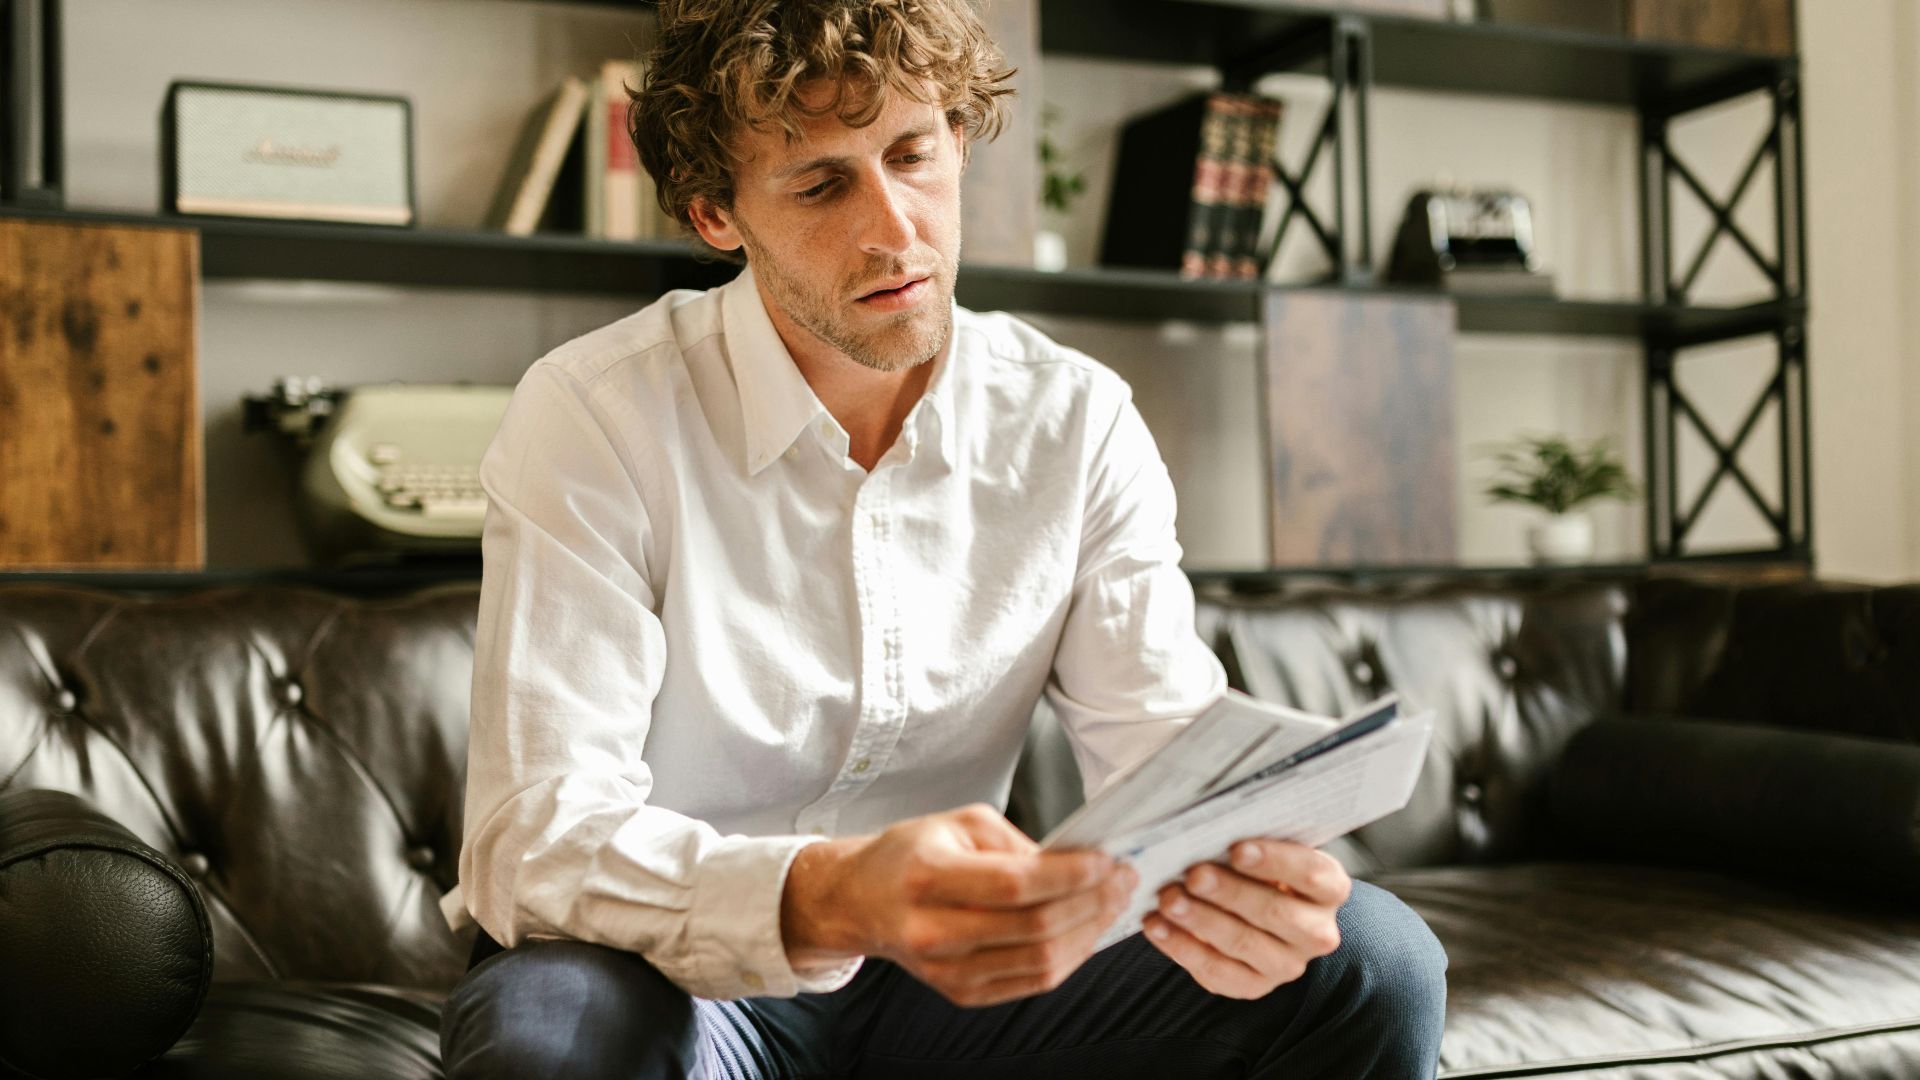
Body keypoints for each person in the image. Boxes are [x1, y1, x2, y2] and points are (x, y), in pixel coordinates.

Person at [438, 0, 1447, 1075]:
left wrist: (1242, 885)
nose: (897, 228)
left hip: (960, 988)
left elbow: (1162, 746)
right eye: (822, 183)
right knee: (549, 1037)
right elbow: (533, 835)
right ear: (715, 216)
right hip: (672, 976)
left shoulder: (1074, 417)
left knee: (1370, 959)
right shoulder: (594, 412)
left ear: (958, 141)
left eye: (913, 154)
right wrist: (827, 897)